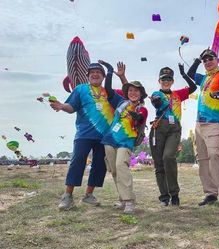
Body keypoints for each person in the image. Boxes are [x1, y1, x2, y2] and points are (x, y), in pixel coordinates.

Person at [50, 62, 119, 211]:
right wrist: (62, 106)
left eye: (98, 72)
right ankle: (67, 196)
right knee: (78, 162)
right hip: (84, 134)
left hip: (105, 136)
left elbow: (128, 97)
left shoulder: (109, 92)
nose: (95, 74)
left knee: (99, 165)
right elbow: (71, 107)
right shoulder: (80, 89)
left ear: (103, 76)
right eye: (92, 72)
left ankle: (88, 195)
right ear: (88, 75)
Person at [100, 61, 148, 214]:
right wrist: (109, 71)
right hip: (110, 139)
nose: (133, 93)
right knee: (114, 170)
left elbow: (140, 118)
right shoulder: (120, 102)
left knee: (121, 166)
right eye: (131, 90)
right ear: (127, 92)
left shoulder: (142, 108)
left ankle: (129, 201)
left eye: (136, 91)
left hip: (125, 142)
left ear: (141, 94)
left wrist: (135, 115)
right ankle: (122, 199)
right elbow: (108, 89)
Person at [187, 49, 219, 208]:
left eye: (210, 59)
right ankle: (210, 193)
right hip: (199, 123)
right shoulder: (205, 78)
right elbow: (191, 72)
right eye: (205, 60)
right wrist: (198, 60)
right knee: (202, 159)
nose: (207, 62)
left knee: (215, 155)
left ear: (217, 59)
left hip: (213, 122)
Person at [149, 64, 197, 207]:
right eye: (163, 79)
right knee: (159, 164)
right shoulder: (156, 94)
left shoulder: (178, 94)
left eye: (169, 79)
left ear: (172, 81)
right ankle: (164, 197)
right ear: (159, 80)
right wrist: (156, 102)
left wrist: (184, 75)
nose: (166, 81)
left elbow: (193, 88)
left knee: (168, 157)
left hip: (174, 129)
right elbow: (156, 102)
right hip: (159, 128)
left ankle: (174, 194)